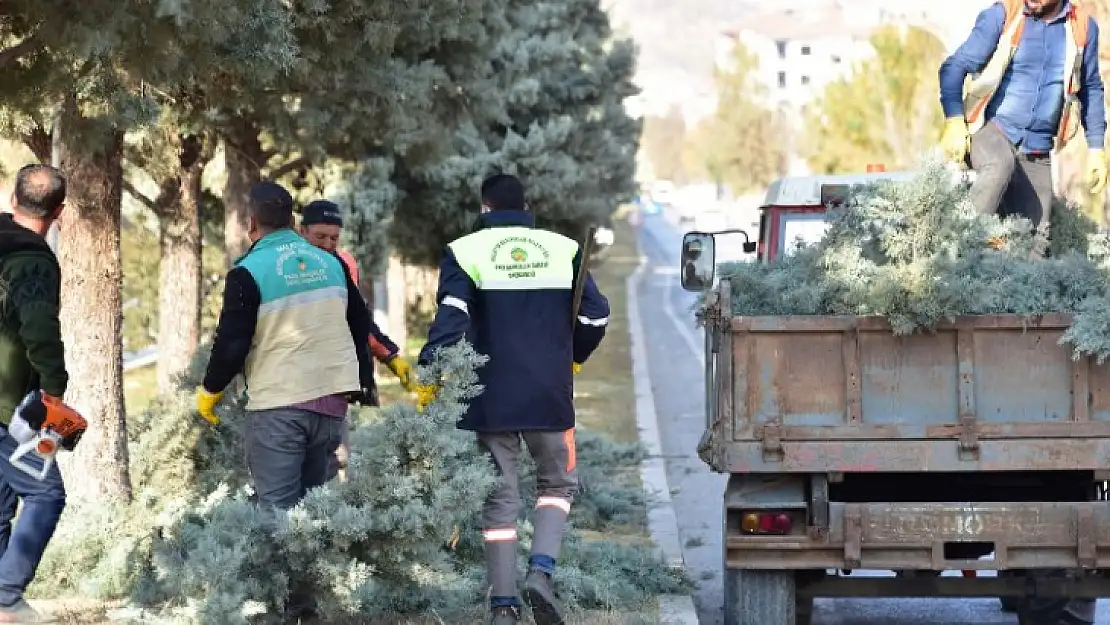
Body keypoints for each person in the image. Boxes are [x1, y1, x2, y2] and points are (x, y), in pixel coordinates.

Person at [415, 174, 610, 625]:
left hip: (490, 396)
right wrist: (573, 356)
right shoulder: (564, 249)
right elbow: (596, 316)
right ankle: (541, 572)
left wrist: (430, 371)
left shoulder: (466, 251)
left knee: (500, 496)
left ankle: (503, 606)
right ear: (527, 207)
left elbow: (453, 316)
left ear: (485, 209)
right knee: (556, 484)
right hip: (549, 393)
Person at [194, 181, 377, 510]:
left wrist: (211, 390)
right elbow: (360, 324)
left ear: (250, 223)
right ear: (293, 223)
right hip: (331, 406)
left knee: (277, 518)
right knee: (315, 513)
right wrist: (361, 384)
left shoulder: (248, 271)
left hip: (280, 407)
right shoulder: (330, 263)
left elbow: (233, 342)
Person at [938, 0, 1107, 256]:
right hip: (991, 130)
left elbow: (1091, 88)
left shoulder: (1082, 27)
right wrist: (953, 119)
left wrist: (1096, 147)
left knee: (1035, 246)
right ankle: (957, 250)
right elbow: (954, 67)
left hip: (1036, 148)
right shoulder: (1004, 15)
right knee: (1000, 164)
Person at [298, 199, 415, 479]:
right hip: (296, 378)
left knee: (336, 457)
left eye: (334, 238)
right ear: (302, 231)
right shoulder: (289, 265)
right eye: (320, 237)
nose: (327, 244)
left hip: (337, 379)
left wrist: (391, 357)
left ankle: (333, 517)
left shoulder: (344, 262)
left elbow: (358, 319)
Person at [0, 164, 69, 623]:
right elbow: (39, 327)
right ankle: (6, 596)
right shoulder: (32, 260)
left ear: (11, 200)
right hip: (12, 406)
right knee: (47, 494)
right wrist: (54, 391)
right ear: (59, 211)